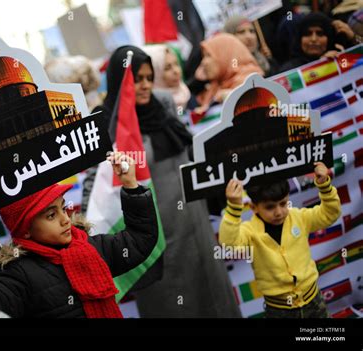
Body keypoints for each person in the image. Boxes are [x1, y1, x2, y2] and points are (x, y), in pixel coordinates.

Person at [84, 45, 241, 317]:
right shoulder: (107, 122)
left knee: (215, 300)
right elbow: (94, 182)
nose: (145, 85)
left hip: (196, 227)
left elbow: (191, 149)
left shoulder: (163, 105)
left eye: (148, 77)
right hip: (155, 240)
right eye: (137, 79)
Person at [0, 152, 159, 318]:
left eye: (63, 208)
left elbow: (140, 240)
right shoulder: (16, 275)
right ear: (26, 230)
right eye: (51, 215)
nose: (65, 219)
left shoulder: (89, 246)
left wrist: (131, 185)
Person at [220, 162, 342, 318]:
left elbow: (330, 214)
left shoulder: (299, 217)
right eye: (270, 207)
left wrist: (325, 186)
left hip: (314, 302)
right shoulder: (249, 232)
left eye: (283, 203)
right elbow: (229, 245)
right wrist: (233, 208)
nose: (279, 212)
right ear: (253, 207)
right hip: (278, 312)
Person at [193, 33, 264, 115]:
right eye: (203, 57)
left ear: (225, 55)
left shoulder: (251, 81)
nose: (204, 62)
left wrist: (229, 97)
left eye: (209, 55)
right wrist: (198, 82)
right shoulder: (215, 87)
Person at [279, 12, 358, 72]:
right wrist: (320, 68)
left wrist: (353, 40)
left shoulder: (343, 62)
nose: (313, 39)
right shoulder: (289, 70)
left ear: (329, 38)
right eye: (307, 34)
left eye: (320, 33)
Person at [142, 44, 191, 111]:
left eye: (176, 64)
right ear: (155, 73)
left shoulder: (184, 92)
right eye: (167, 68)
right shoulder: (150, 107)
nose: (176, 71)